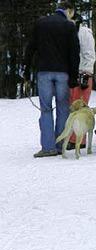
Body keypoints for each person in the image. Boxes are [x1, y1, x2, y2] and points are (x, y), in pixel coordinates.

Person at [24, 1, 80, 158]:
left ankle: (48, 147)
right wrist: (74, 76)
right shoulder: (69, 26)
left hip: (44, 72)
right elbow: (74, 52)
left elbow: (30, 47)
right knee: (63, 108)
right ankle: (60, 144)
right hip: (63, 72)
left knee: (46, 108)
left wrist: (27, 70)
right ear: (68, 11)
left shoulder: (41, 23)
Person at [67, 14, 95, 149]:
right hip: (72, 74)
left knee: (80, 108)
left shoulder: (85, 33)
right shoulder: (69, 32)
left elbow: (89, 54)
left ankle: (79, 140)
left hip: (83, 74)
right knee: (72, 106)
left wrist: (86, 72)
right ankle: (72, 137)